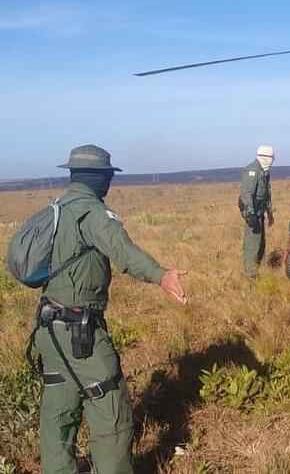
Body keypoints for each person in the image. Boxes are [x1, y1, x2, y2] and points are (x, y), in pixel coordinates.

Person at [31, 144, 187, 474]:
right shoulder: (92, 213)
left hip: (48, 328)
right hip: (80, 333)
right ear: (101, 178)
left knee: (59, 414)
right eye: (108, 177)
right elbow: (123, 251)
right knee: (112, 413)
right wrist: (161, 276)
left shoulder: (56, 209)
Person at [239, 145, 275, 280]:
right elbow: (246, 194)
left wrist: (270, 214)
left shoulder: (264, 173)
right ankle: (250, 274)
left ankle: (257, 268)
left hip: (260, 213)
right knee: (252, 245)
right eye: (271, 158)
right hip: (252, 215)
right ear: (265, 157)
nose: (272, 161)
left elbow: (266, 194)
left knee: (260, 243)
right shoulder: (252, 170)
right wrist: (250, 214)